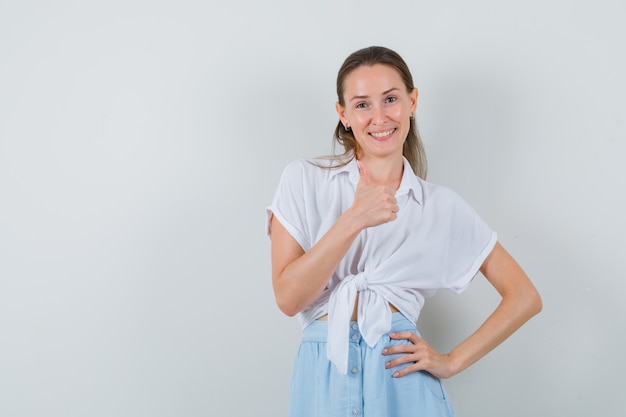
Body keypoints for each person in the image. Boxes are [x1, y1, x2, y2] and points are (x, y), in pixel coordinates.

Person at [266, 46, 542, 417]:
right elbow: (288, 298)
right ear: (343, 114)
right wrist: (354, 218)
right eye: (362, 104)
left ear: (412, 102)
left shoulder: (441, 206)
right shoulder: (303, 180)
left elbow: (524, 296)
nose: (379, 117)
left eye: (391, 99)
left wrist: (451, 361)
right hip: (323, 370)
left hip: (400, 374)